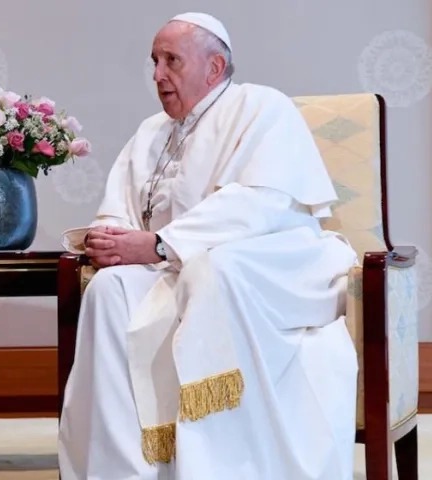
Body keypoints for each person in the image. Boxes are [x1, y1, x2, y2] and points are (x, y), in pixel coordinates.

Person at [57, 12, 358, 480]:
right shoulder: (150, 132)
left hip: (268, 269)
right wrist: (113, 239)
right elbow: (120, 208)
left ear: (214, 67)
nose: (158, 74)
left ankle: (216, 467)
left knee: (214, 271)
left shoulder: (261, 107)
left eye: (171, 60)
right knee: (108, 290)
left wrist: (160, 245)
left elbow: (262, 203)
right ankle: (123, 467)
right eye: (155, 61)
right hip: (174, 269)